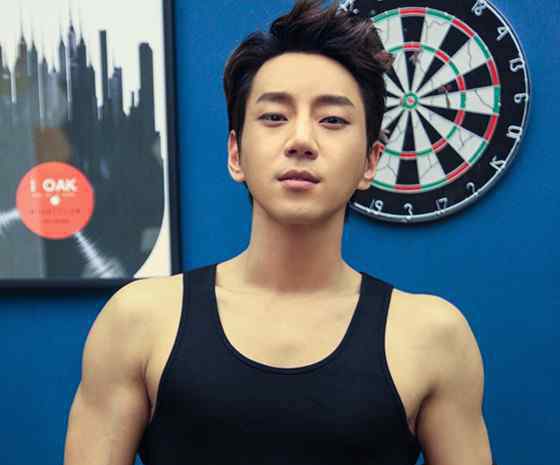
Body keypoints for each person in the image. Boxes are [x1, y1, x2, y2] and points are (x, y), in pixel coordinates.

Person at [63, 1, 495, 464]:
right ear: (235, 154)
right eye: (274, 117)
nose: (301, 140)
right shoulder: (140, 322)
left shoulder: (431, 336)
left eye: (332, 120)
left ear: (370, 162)